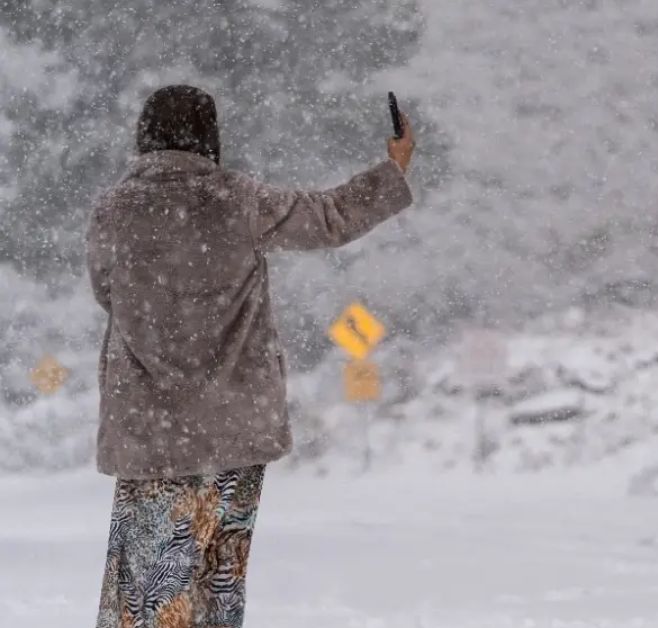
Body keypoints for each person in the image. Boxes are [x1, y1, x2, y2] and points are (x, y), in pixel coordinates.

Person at [86, 84, 415, 628]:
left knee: (147, 587)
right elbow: (331, 217)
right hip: (234, 428)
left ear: (145, 134)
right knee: (220, 579)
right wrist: (394, 168)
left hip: (152, 432)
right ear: (208, 135)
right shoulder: (238, 199)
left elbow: (107, 293)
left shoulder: (115, 209)